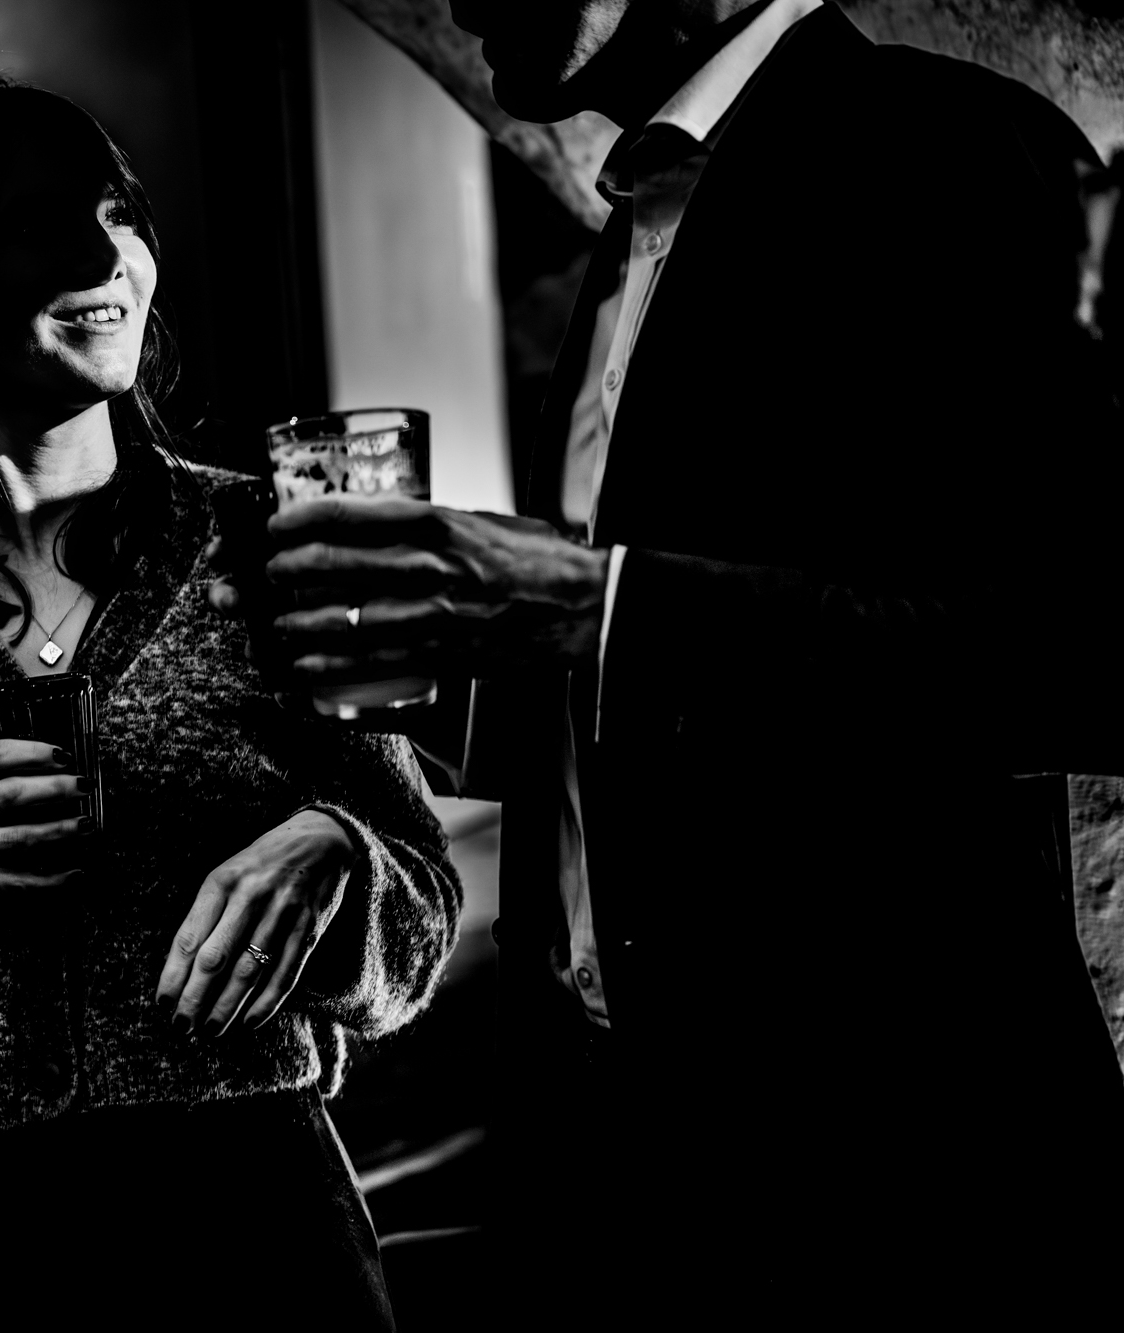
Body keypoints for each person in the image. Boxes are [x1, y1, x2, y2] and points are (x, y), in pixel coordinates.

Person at [216, 0, 1124, 1313]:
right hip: (642, 1155)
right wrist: (444, 699)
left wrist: (604, 601)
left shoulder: (957, 147)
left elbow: (1085, 651)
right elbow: (677, 715)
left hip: (901, 1175)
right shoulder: (639, 225)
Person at [0, 79, 460, 1332]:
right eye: (41, 222)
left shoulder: (277, 541)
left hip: (266, 1237)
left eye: (119, 213)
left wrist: (347, 855)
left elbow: (423, 912)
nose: (106, 254)